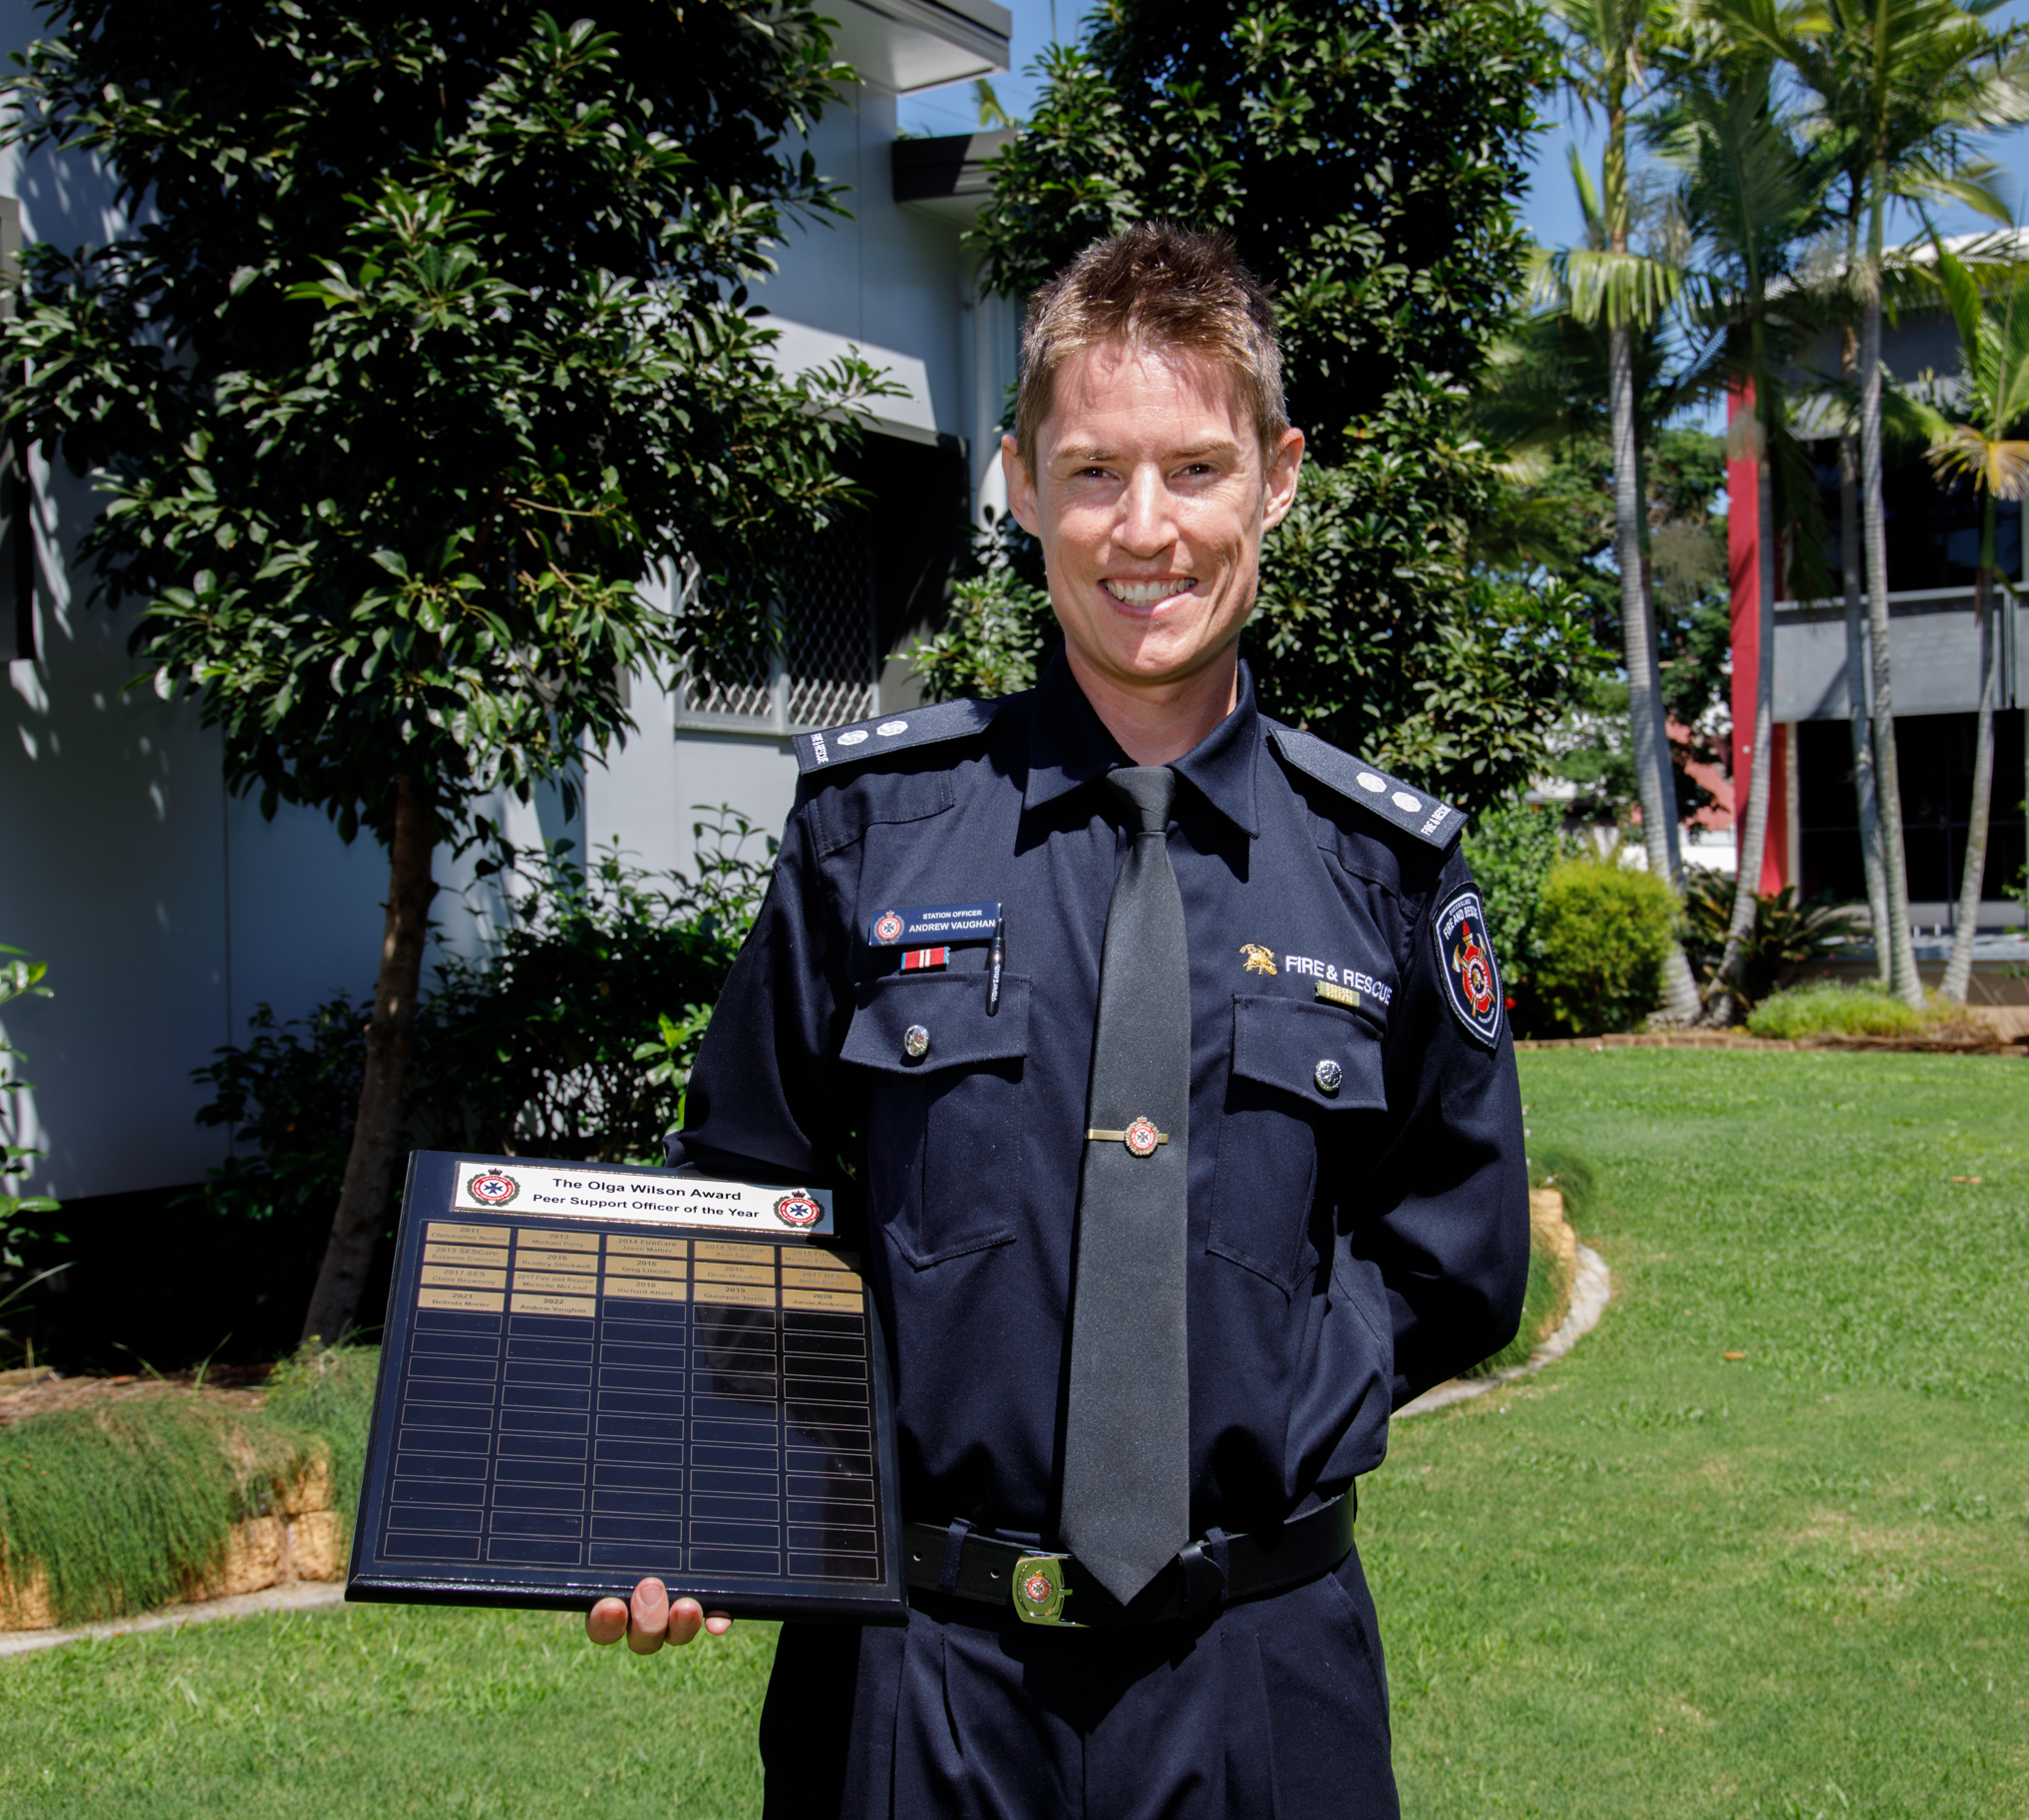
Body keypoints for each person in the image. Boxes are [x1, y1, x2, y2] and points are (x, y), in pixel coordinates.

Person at [588, 223, 1528, 1819]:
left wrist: (1291, 1384)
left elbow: (1456, 1250)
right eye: (1092, 471)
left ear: (1277, 479)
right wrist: (702, 1491)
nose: (1144, 530)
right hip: (913, 1678)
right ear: (1019, 482)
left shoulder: (1382, 870)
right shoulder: (868, 835)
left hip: (1260, 1676)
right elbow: (733, 1203)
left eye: (1196, 468)